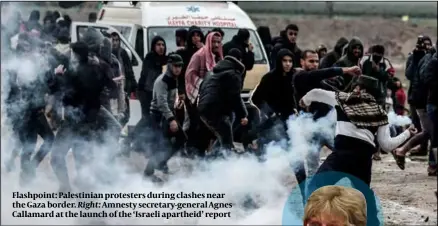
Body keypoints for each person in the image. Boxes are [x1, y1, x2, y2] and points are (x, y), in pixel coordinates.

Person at [301, 75, 416, 224]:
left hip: (342, 155)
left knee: (316, 187)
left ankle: (316, 220)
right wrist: (407, 133)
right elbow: (387, 145)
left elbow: (316, 92)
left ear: (358, 89)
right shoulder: (380, 112)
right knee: (364, 198)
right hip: (363, 159)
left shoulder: (344, 99)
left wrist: (304, 101)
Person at [50, 41, 117, 192]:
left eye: (72, 53)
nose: (70, 56)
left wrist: (58, 75)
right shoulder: (97, 69)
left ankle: (66, 187)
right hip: (89, 122)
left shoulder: (73, 73)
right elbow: (112, 87)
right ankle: (87, 200)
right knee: (83, 162)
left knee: (56, 157)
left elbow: (57, 90)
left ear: (77, 55)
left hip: (72, 123)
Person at [144, 54, 186, 182]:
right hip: (159, 116)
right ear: (169, 66)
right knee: (162, 145)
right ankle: (148, 173)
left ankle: (161, 163)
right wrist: (171, 119)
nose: (178, 68)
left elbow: (169, 99)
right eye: (175, 66)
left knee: (180, 139)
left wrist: (176, 103)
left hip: (166, 115)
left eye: (180, 66)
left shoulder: (173, 78)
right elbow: (161, 103)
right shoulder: (163, 80)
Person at [197, 49, 248, 153]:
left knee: (223, 134)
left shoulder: (212, 73)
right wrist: (243, 114)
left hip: (203, 109)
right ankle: (225, 164)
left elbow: (201, 90)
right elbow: (235, 97)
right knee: (226, 140)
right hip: (216, 110)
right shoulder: (234, 74)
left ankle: (212, 160)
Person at [184, 31, 223, 156]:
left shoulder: (219, 57)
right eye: (214, 42)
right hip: (198, 97)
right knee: (198, 126)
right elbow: (190, 74)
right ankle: (194, 154)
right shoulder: (199, 55)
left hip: (213, 99)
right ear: (208, 41)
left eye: (218, 42)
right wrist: (204, 84)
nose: (216, 45)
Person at [132, 35, 167, 153]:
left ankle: (141, 144)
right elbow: (149, 77)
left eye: (162, 45)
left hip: (155, 92)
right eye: (158, 45)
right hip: (146, 92)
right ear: (153, 46)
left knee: (153, 119)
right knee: (147, 118)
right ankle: (130, 139)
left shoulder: (164, 60)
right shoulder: (150, 58)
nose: (161, 47)